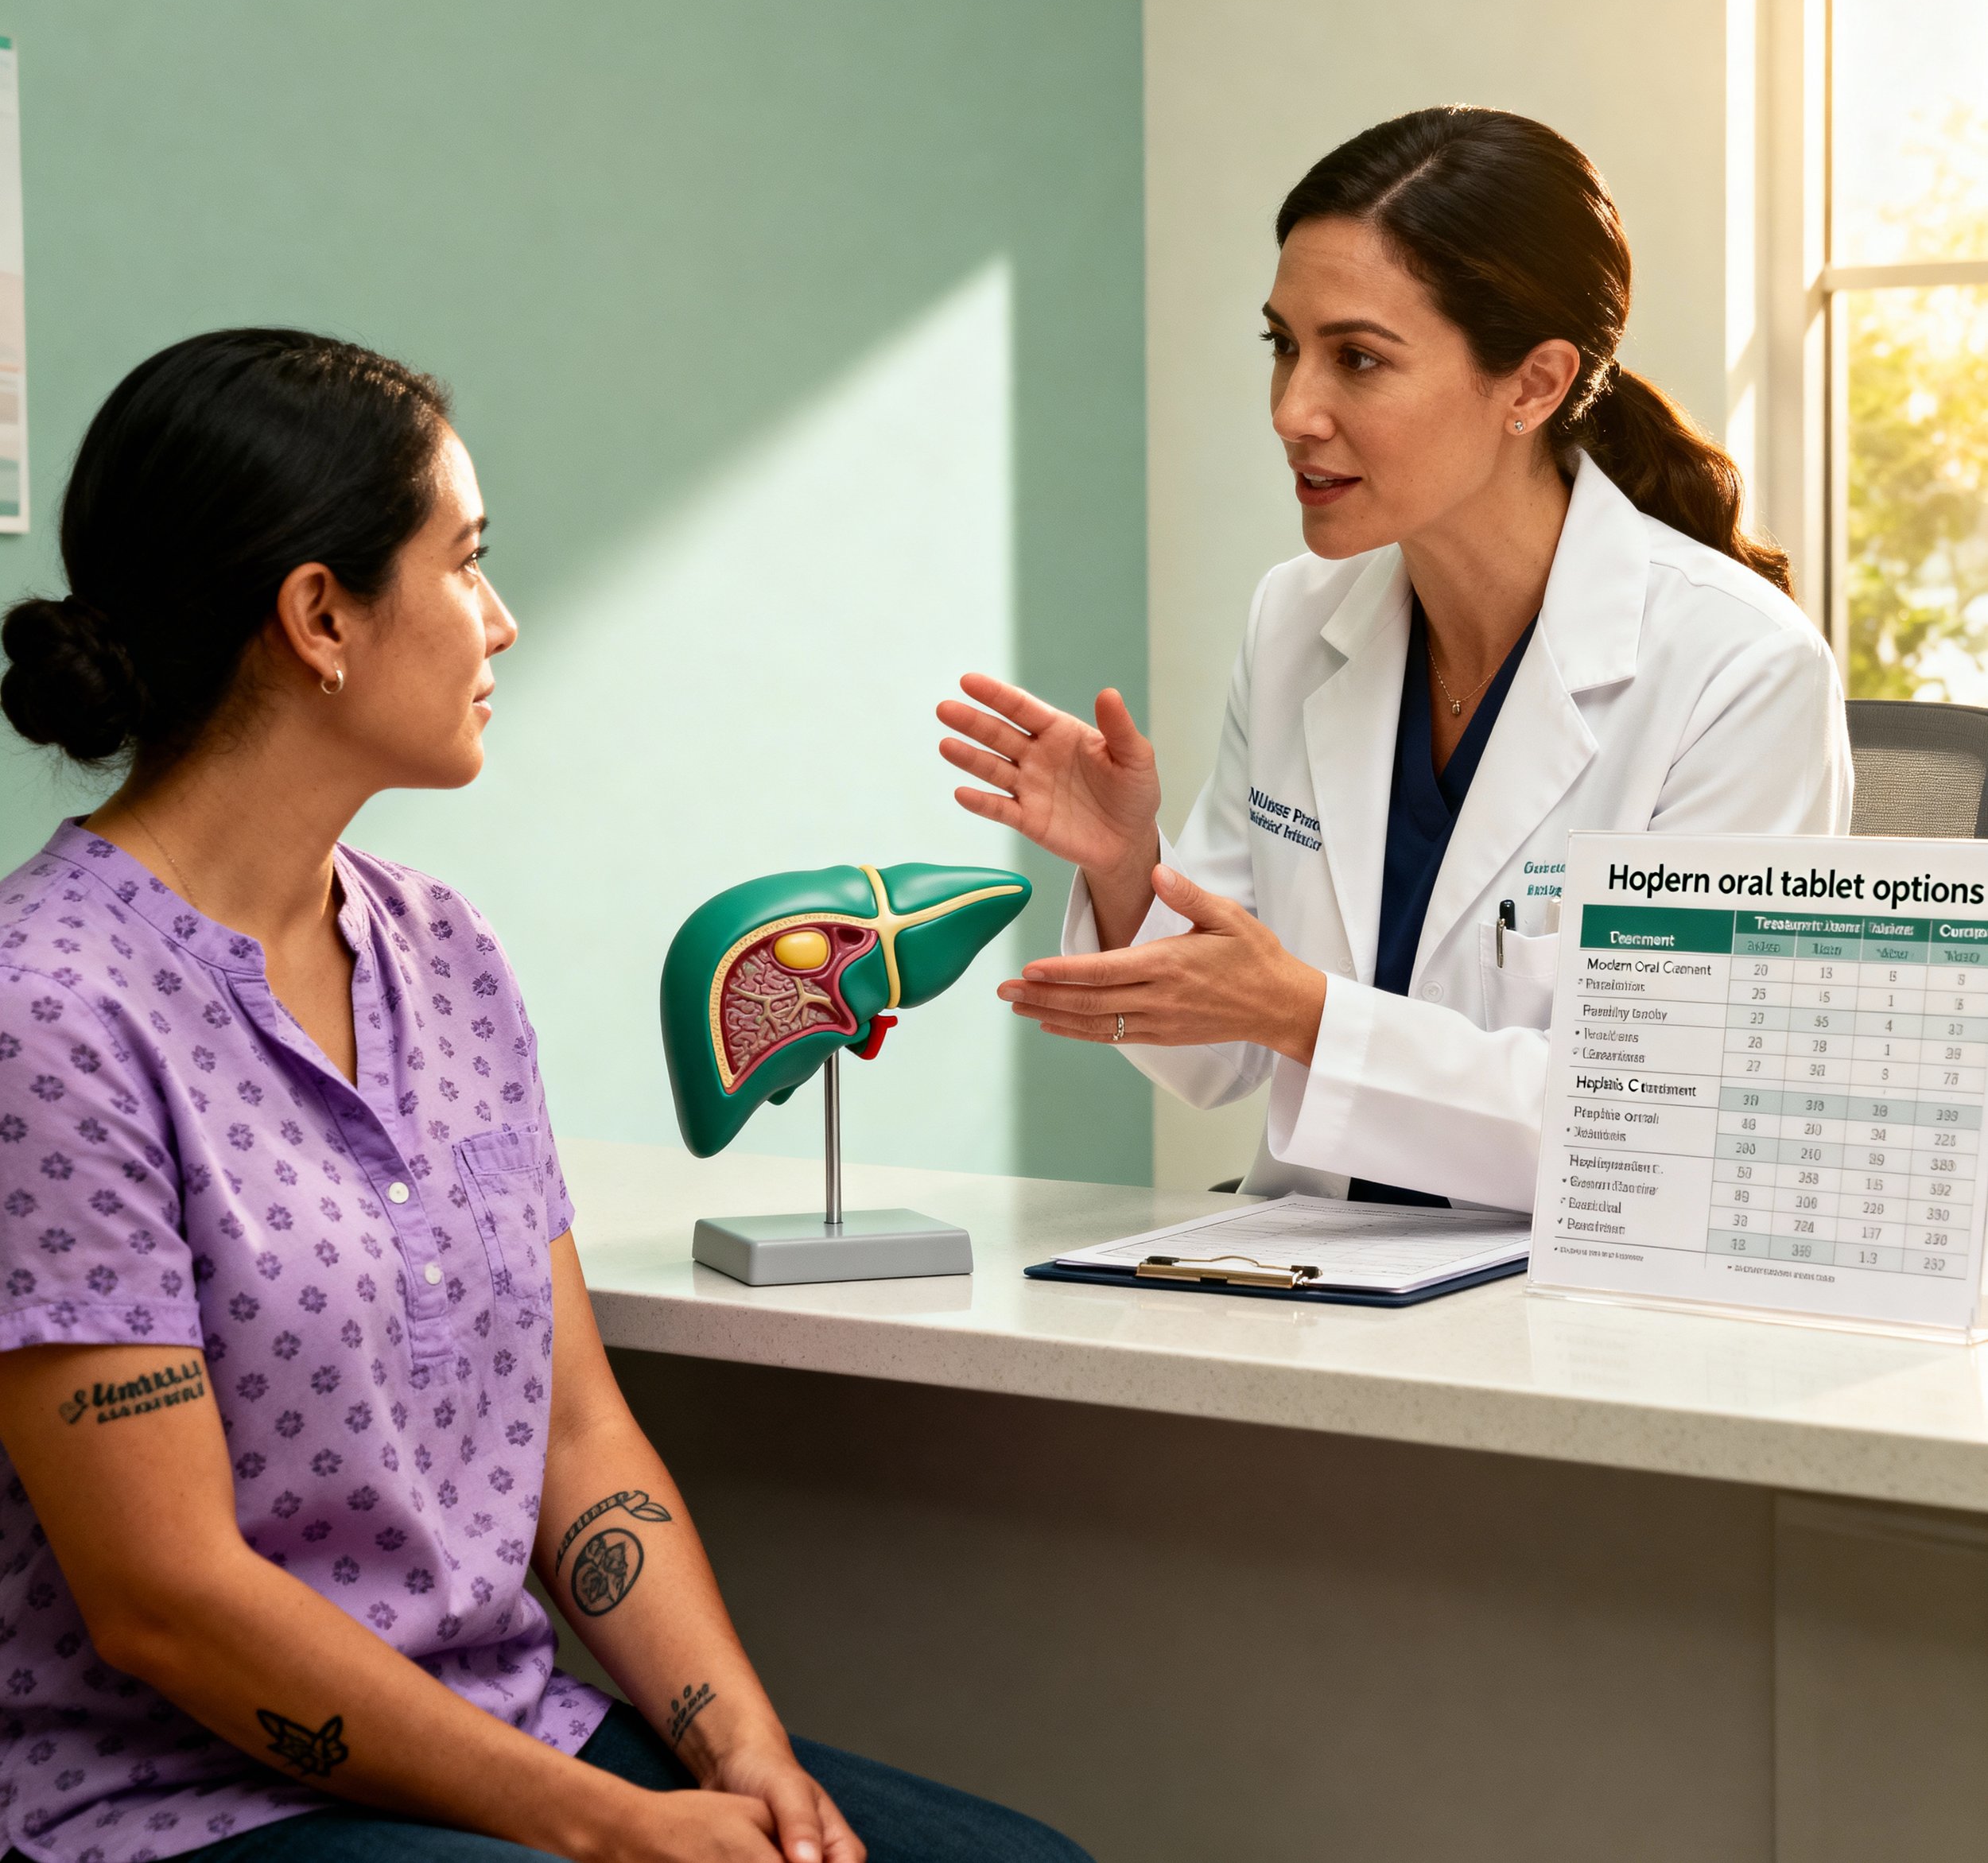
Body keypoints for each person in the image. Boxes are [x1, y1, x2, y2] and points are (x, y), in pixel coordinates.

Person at [0, 330, 1091, 1863]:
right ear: (321, 614)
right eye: (467, 564)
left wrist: (745, 1758)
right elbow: (163, 1600)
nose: (502, 622)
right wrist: (605, 1833)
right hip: (185, 1809)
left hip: (521, 1733)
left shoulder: (448, 957)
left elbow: (577, 1443)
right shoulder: (47, 1009)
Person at [938, 107, 1853, 1208]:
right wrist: (1127, 868)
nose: (1292, 410)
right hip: (1308, 1286)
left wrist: (1309, 1016)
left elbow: (1664, 1124)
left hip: (1561, 1321)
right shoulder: (1298, 619)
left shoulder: (1737, 670)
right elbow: (1216, 1057)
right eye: (1283, 345)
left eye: (1358, 359)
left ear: (1533, 384)